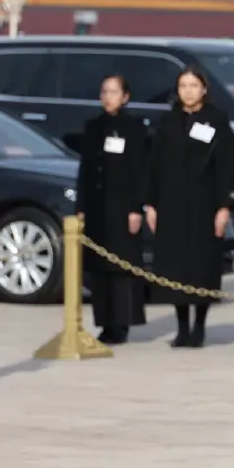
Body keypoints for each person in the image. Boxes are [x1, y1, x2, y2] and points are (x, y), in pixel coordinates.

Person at [145, 66, 234, 348]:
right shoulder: (168, 121)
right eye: (183, 85)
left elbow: (225, 166)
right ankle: (181, 326)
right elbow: (154, 164)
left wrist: (223, 207)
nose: (188, 91)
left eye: (194, 85)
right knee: (176, 266)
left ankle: (199, 326)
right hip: (171, 203)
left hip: (204, 203)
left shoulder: (216, 120)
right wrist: (151, 204)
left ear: (204, 89)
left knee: (201, 264)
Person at [76, 74, 149, 345]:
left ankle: (122, 323)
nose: (108, 97)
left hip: (122, 206)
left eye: (114, 92)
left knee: (120, 268)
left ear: (126, 96)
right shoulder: (93, 127)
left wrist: (135, 208)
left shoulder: (134, 128)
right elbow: (84, 170)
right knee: (98, 268)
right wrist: (81, 206)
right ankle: (104, 321)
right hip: (97, 206)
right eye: (104, 91)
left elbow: (139, 170)